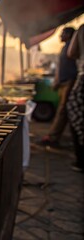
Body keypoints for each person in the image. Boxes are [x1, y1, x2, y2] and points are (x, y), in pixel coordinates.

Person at [41, 27, 77, 146]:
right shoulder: (64, 47)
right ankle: (54, 135)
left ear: (68, 35)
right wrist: (57, 80)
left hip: (70, 82)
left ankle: (53, 138)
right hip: (63, 82)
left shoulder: (73, 47)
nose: (60, 36)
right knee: (62, 110)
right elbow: (60, 66)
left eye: (62, 34)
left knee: (63, 110)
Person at [66, 24, 84, 173]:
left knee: (76, 115)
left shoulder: (82, 29)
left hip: (82, 79)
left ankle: (81, 160)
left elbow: (71, 53)